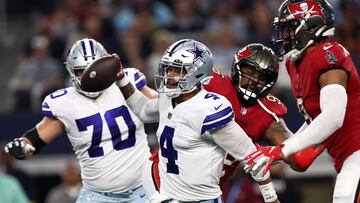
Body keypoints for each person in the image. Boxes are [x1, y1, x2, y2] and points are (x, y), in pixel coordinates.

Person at [116, 39, 280, 203]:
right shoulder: (169, 96)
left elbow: (254, 158)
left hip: (200, 199)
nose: (170, 75)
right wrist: (122, 79)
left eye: (178, 70)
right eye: (169, 68)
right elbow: (144, 111)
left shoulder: (209, 109)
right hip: (165, 191)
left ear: (197, 74)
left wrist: (271, 198)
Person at [4, 38, 154, 202]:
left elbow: (162, 106)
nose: (90, 75)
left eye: (93, 68)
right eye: (81, 71)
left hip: (143, 187)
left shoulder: (126, 81)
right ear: (71, 71)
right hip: (97, 196)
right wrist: (24, 147)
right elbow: (36, 138)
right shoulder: (64, 103)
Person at [245, 1, 360, 202]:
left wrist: (284, 149)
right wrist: (292, 146)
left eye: (289, 28)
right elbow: (317, 119)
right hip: (346, 157)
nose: (284, 35)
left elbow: (333, 117)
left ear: (310, 27)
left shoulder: (327, 54)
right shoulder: (294, 63)